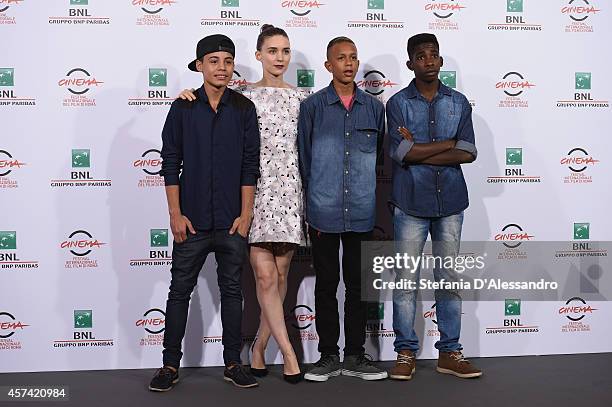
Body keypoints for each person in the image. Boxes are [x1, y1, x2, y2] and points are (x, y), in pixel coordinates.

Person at [178, 25, 305, 384]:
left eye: (285, 51)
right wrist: (186, 94)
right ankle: (291, 356)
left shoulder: (302, 99)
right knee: (265, 276)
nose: (279, 58)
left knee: (280, 278)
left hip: (291, 193)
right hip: (252, 193)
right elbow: (208, 101)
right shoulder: (242, 97)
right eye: (273, 51)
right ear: (258, 56)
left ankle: (260, 348)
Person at [149, 34, 260, 392]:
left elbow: (249, 166)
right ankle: (169, 365)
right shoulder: (183, 107)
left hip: (231, 221)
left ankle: (233, 362)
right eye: (213, 61)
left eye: (228, 61)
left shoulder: (244, 109)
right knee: (179, 292)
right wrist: (174, 215)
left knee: (232, 292)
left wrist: (245, 216)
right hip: (192, 220)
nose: (222, 67)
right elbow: (169, 164)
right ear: (199, 66)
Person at [386, 33, 481, 380]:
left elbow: (469, 151)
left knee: (449, 278)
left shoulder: (459, 103)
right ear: (411, 63)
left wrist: (420, 149)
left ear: (440, 61)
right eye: (420, 56)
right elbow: (400, 153)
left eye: (433, 55)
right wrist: (448, 145)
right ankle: (405, 353)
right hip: (411, 202)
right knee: (406, 280)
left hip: (451, 202)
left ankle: (450, 352)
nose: (428, 60)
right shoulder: (397, 103)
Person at [297, 36, 387, 382]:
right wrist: (314, 199)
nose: (348, 64)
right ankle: (327, 356)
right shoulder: (314, 107)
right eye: (340, 58)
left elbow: (378, 155)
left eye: (353, 58)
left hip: (362, 210)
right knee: (325, 284)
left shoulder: (374, 108)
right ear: (328, 65)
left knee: (358, 286)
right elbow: (305, 159)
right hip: (323, 211)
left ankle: (355, 355)